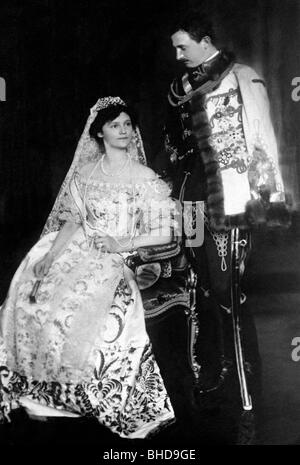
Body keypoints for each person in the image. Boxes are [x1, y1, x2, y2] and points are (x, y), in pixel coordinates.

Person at [0, 96, 176, 440]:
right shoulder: (85, 173)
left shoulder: (144, 177)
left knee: (89, 309)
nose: (124, 131)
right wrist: (50, 257)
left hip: (117, 257)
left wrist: (120, 244)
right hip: (79, 248)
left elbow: (166, 232)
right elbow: (72, 221)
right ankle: (40, 393)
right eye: (115, 125)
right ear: (99, 133)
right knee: (34, 293)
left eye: (128, 124)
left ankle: (89, 392)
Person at [158, 10, 289, 397]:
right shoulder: (179, 86)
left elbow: (263, 140)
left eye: (183, 46)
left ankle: (246, 368)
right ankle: (214, 364)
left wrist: (267, 200)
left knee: (228, 285)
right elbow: (175, 141)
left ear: (204, 41)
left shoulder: (241, 77)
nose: (179, 54)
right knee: (199, 282)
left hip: (229, 196)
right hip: (191, 195)